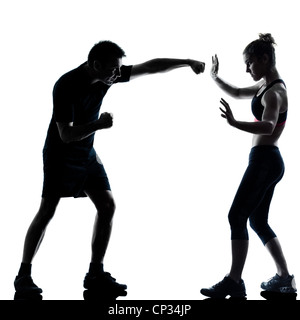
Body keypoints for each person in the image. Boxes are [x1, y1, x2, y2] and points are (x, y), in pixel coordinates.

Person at [14, 40, 205, 298]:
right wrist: (99, 125)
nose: (117, 74)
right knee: (47, 210)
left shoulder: (108, 76)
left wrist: (186, 62)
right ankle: (23, 275)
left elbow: (150, 67)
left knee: (107, 205)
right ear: (95, 65)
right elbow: (66, 134)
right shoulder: (66, 85)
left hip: (87, 154)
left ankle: (95, 273)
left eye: (119, 69)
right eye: (113, 69)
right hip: (61, 154)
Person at [200, 34, 296, 299]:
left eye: (250, 63)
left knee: (236, 216)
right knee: (257, 220)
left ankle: (234, 280)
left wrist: (234, 123)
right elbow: (237, 92)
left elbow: (267, 126)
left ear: (264, 59)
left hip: (265, 160)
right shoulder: (265, 86)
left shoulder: (276, 93)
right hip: (267, 160)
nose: (247, 69)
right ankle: (284, 279)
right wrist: (215, 77)